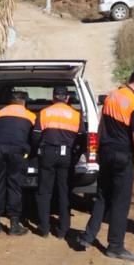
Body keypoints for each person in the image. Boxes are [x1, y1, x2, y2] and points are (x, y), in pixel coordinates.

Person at [78, 69, 134, 262]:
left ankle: (87, 236)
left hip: (106, 152)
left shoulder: (112, 95)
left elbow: (101, 124)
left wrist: (95, 151)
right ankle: (115, 246)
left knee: (102, 196)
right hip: (122, 156)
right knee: (121, 202)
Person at [0, 90, 36, 236]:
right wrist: (31, 152)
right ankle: (14, 225)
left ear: (11, 101)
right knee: (14, 186)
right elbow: (34, 138)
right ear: (24, 102)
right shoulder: (30, 116)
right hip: (17, 154)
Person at [32, 86, 83, 239]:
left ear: (53, 98)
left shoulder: (44, 113)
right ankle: (63, 230)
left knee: (44, 191)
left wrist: (33, 154)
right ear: (67, 98)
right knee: (64, 191)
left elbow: (35, 137)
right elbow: (82, 138)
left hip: (47, 154)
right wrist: (75, 155)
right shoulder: (76, 115)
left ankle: (44, 228)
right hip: (66, 155)